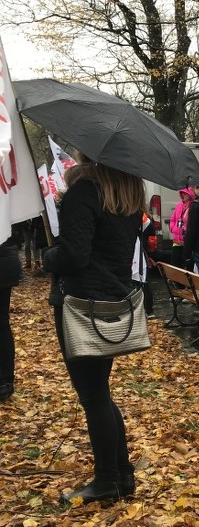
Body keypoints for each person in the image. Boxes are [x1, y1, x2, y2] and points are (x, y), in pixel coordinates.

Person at [41, 158, 145, 504]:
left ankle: (106, 481)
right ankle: (122, 474)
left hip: (81, 302)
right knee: (100, 392)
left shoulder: (86, 192)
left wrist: (48, 255)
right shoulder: (128, 194)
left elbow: (74, 255)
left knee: (93, 396)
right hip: (110, 299)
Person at [0, 234, 23, 401]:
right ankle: (5, 379)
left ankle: (4, 380)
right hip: (7, 261)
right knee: (2, 323)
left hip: (4, 261)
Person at [168, 187, 195, 269]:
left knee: (188, 266)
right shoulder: (179, 205)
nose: (183, 194)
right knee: (175, 264)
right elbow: (173, 219)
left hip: (187, 242)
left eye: (185, 193)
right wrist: (173, 228)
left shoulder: (193, 206)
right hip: (177, 241)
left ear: (190, 194)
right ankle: (176, 281)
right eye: (181, 193)